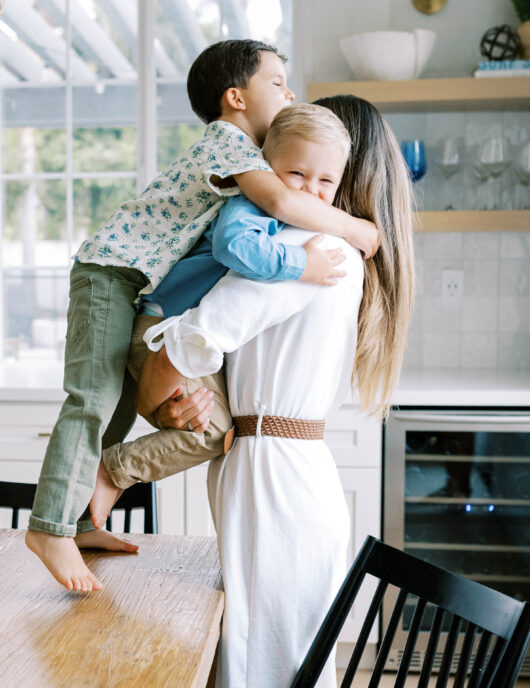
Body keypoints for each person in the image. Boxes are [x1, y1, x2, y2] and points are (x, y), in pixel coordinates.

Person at [24, 39, 380, 593]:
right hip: (109, 273)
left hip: (136, 285)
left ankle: (76, 521)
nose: (289, 93)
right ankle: (48, 528)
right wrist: (350, 234)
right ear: (236, 98)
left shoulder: (250, 162)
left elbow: (289, 204)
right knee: (92, 401)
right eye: (278, 82)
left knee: (113, 410)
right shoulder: (230, 144)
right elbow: (285, 209)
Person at [132, 94, 416, 687]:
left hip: (275, 476)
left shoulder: (311, 251)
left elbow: (198, 333)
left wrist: (149, 398)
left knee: (254, 663)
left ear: (343, 174)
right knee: (272, 657)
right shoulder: (335, 249)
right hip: (286, 469)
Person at [89, 102, 353, 526]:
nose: (309, 192)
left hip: (170, 332)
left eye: (326, 181)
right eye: (296, 175)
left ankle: (104, 482)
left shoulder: (284, 221)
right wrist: (302, 265)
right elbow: (233, 247)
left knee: (201, 425)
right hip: (157, 327)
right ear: (267, 168)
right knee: (214, 432)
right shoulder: (250, 206)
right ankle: (112, 470)